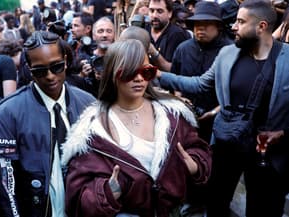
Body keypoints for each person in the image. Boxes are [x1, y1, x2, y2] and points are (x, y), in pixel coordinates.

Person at [158, 1, 289, 216]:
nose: (234, 27)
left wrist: (283, 133)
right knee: (216, 203)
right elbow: (200, 84)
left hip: (267, 153)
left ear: (262, 26)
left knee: (263, 209)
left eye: (240, 21)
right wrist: (161, 76)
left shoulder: (286, 59)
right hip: (227, 142)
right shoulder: (228, 54)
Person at [62, 39, 211, 217]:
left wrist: (194, 165)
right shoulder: (91, 132)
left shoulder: (173, 115)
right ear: (112, 74)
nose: (139, 78)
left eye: (146, 71)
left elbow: (199, 149)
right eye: (129, 72)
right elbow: (77, 195)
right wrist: (106, 193)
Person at [0, 31, 95, 217]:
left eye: (57, 67)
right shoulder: (7, 112)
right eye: (39, 71)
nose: (50, 76)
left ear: (66, 61)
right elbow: (5, 181)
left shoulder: (88, 104)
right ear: (28, 68)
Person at [170, 1, 233, 143]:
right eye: (197, 24)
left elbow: (236, 92)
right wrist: (179, 98)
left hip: (220, 120)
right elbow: (176, 78)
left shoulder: (230, 51)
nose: (200, 29)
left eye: (206, 23)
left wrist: (213, 112)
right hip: (186, 117)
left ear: (218, 26)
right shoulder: (183, 49)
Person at [147, 0, 190, 71]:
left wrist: (154, 53)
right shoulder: (144, 30)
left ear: (170, 13)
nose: (154, 15)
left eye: (159, 11)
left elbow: (173, 70)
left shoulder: (177, 34)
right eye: (151, 11)